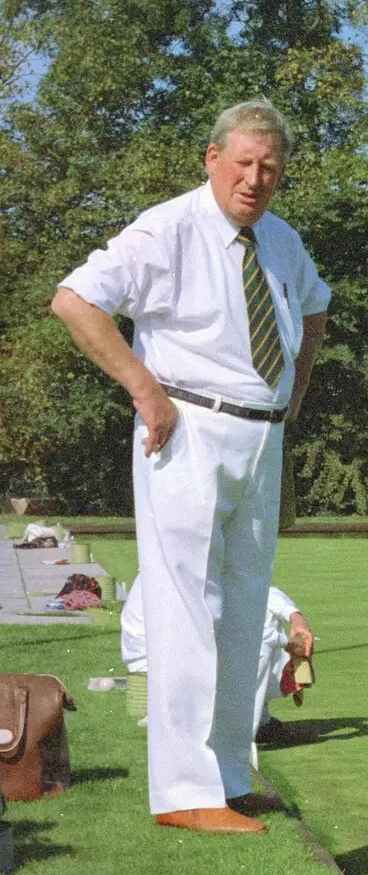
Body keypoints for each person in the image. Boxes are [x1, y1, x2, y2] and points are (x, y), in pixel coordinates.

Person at [50, 100, 330, 835]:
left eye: (269, 167)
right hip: (186, 427)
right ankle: (182, 792)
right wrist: (144, 390)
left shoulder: (281, 241)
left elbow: (316, 309)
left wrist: (294, 394)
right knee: (182, 608)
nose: (254, 178)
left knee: (245, 613)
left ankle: (231, 774)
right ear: (211, 158)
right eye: (241, 162)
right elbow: (75, 301)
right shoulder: (167, 228)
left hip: (261, 438)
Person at [119, 576, 314, 742]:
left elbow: (256, 588)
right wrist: (285, 642)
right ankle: (238, 736)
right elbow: (241, 627)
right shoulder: (197, 556)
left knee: (255, 612)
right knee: (257, 627)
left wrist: (294, 615)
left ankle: (257, 718)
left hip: (169, 652)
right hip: (159, 659)